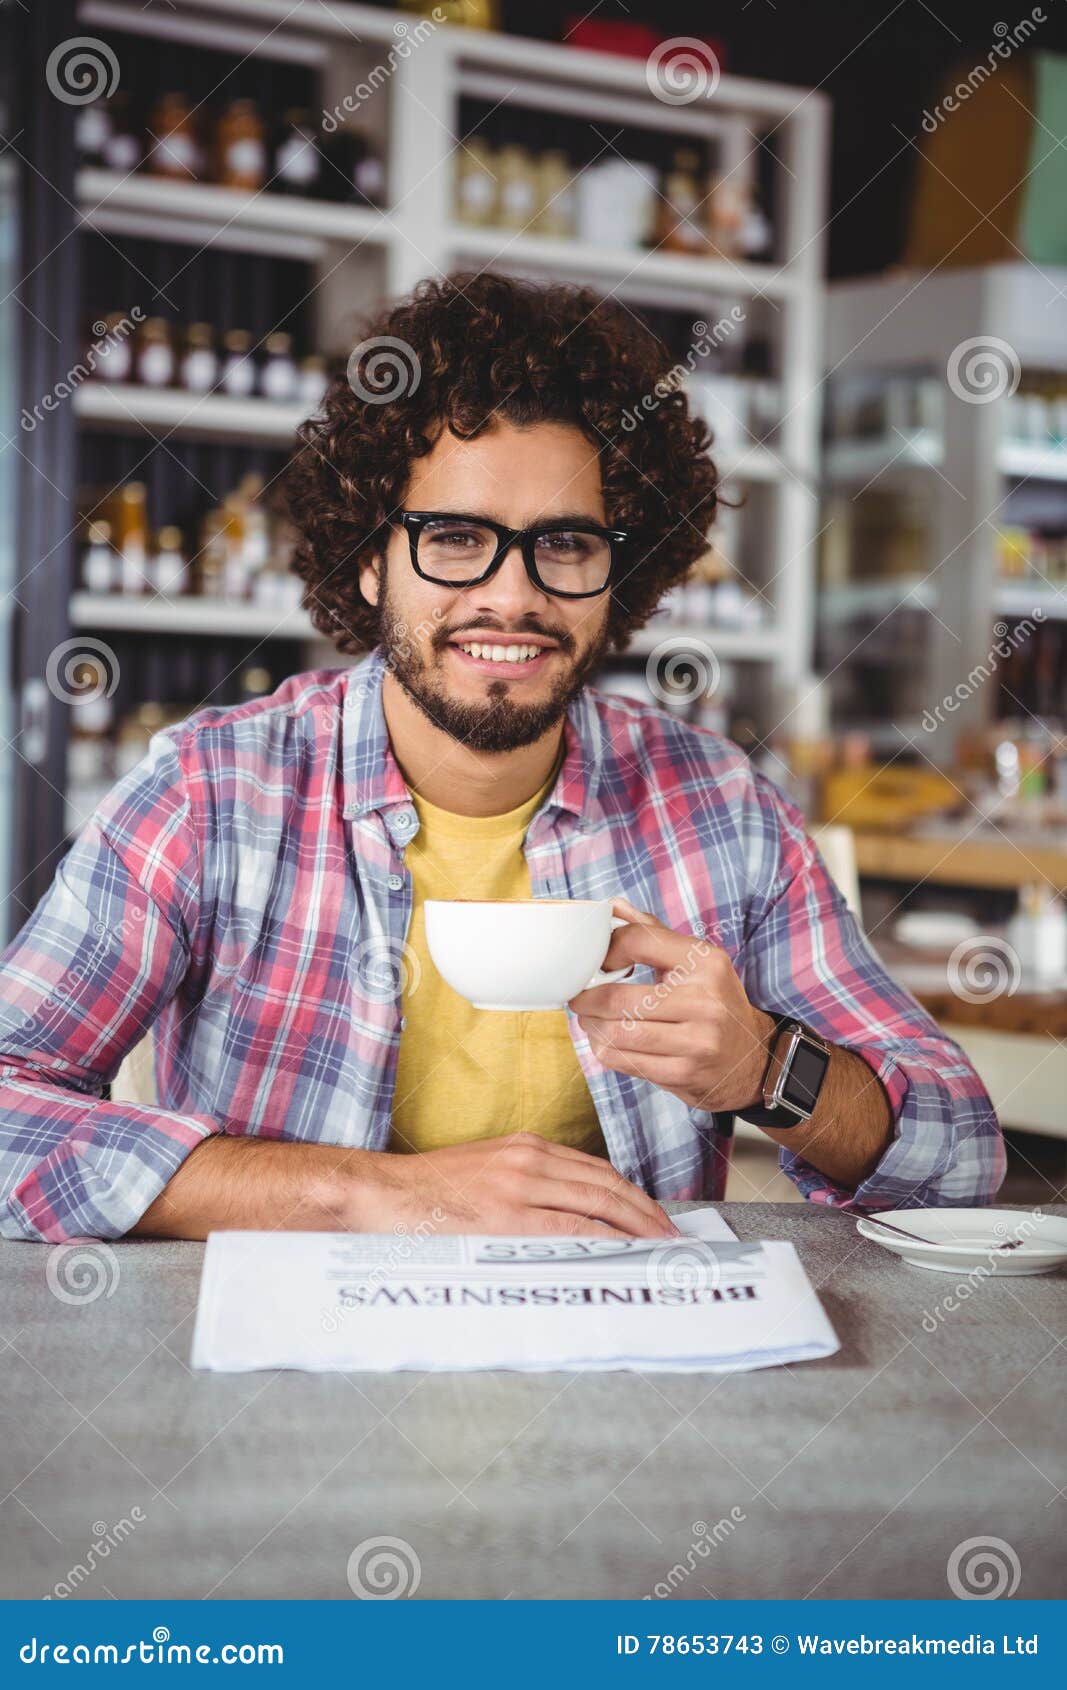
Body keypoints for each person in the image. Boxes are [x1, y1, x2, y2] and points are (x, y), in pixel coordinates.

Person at [0, 272, 1003, 1244]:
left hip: (629, 1375)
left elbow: (960, 1155)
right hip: (286, 1388)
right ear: (367, 553)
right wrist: (361, 1194)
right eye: (453, 537)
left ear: (626, 569)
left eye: (563, 544)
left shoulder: (718, 807)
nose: (512, 596)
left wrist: (766, 1067)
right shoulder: (210, 794)